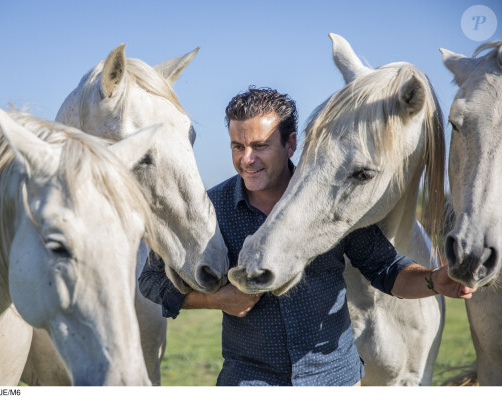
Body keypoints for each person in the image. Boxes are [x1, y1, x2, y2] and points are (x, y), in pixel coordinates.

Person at [138, 86, 474, 386]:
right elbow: (151, 280)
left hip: (337, 382)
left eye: (260, 145)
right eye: (237, 146)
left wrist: (434, 280)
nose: (246, 159)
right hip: (249, 383)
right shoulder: (212, 209)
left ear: (291, 143)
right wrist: (214, 299)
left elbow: (386, 269)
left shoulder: (330, 197)